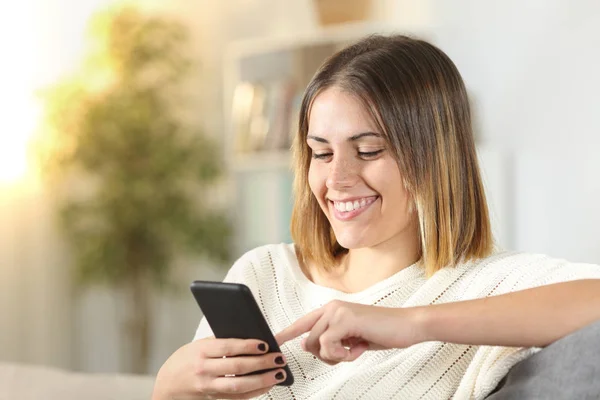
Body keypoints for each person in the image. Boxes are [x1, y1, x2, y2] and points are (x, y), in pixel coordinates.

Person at [152, 35, 600, 400]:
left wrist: (410, 324)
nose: (338, 178)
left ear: (433, 158)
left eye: (368, 151)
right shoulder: (264, 274)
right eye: (321, 153)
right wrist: (170, 387)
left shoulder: (483, 285)